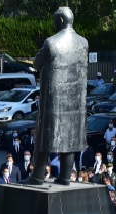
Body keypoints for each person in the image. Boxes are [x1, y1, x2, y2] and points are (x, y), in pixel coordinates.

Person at [29, 7, 88, 186]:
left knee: (45, 137)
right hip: (75, 100)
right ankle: (64, 177)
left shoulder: (51, 43)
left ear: (60, 21)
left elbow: (36, 63)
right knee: (70, 137)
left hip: (53, 99)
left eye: (55, 20)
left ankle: (37, 177)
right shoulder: (84, 42)